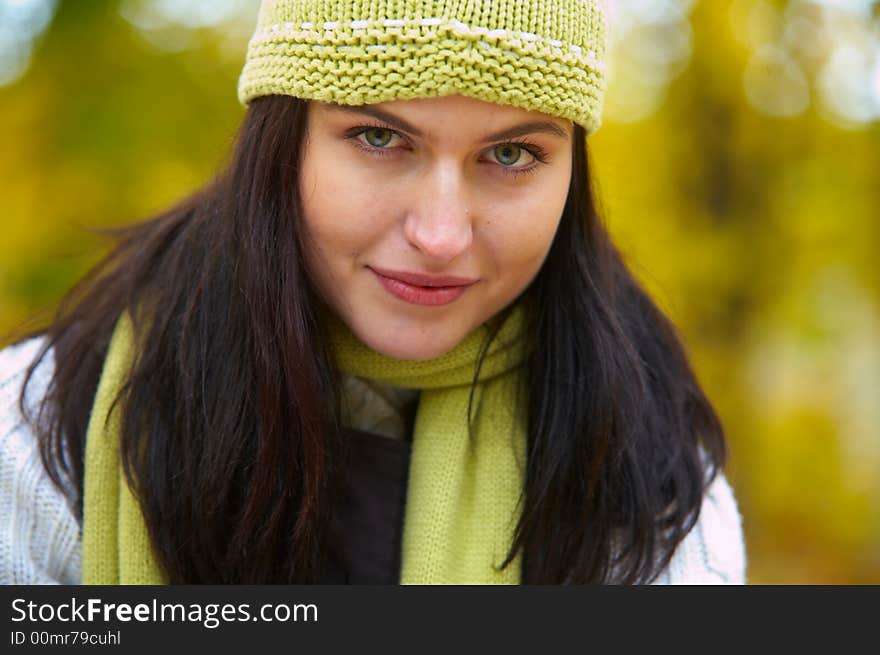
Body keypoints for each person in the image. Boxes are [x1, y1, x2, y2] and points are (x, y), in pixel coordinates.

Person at [0, 0, 746, 584]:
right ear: (282, 139)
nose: (441, 233)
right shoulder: (40, 437)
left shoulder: (651, 472)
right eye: (379, 138)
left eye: (512, 153)